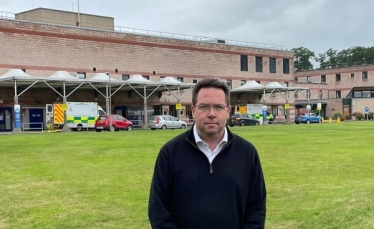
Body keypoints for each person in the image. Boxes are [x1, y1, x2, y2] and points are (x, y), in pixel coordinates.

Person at [148, 78, 266, 229]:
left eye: (218, 107)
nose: (211, 114)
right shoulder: (170, 153)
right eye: (204, 107)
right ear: (193, 110)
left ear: (228, 111)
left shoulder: (247, 153)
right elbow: (159, 211)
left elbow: (256, 210)